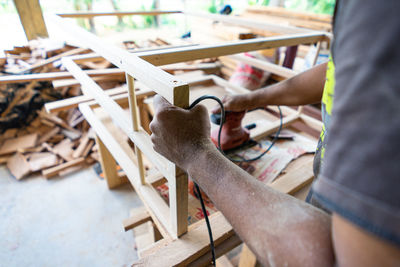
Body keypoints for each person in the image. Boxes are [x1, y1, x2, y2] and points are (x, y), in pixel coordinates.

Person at [149, 1, 400, 266]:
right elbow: (341, 69)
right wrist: (254, 98)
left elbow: (337, 260)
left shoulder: (381, 10)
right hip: (334, 199)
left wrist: (194, 154)